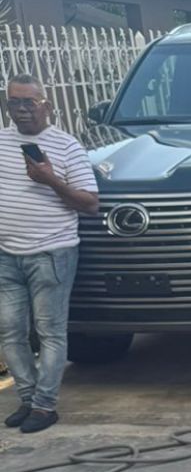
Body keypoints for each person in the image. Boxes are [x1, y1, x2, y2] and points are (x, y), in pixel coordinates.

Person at [1, 73, 100, 434]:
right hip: (6, 253)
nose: (23, 109)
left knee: (49, 331)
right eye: (15, 101)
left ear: (47, 105)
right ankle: (26, 400)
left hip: (52, 253)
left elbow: (90, 204)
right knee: (10, 331)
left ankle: (45, 406)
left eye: (30, 101)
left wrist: (50, 179)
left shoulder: (66, 146)